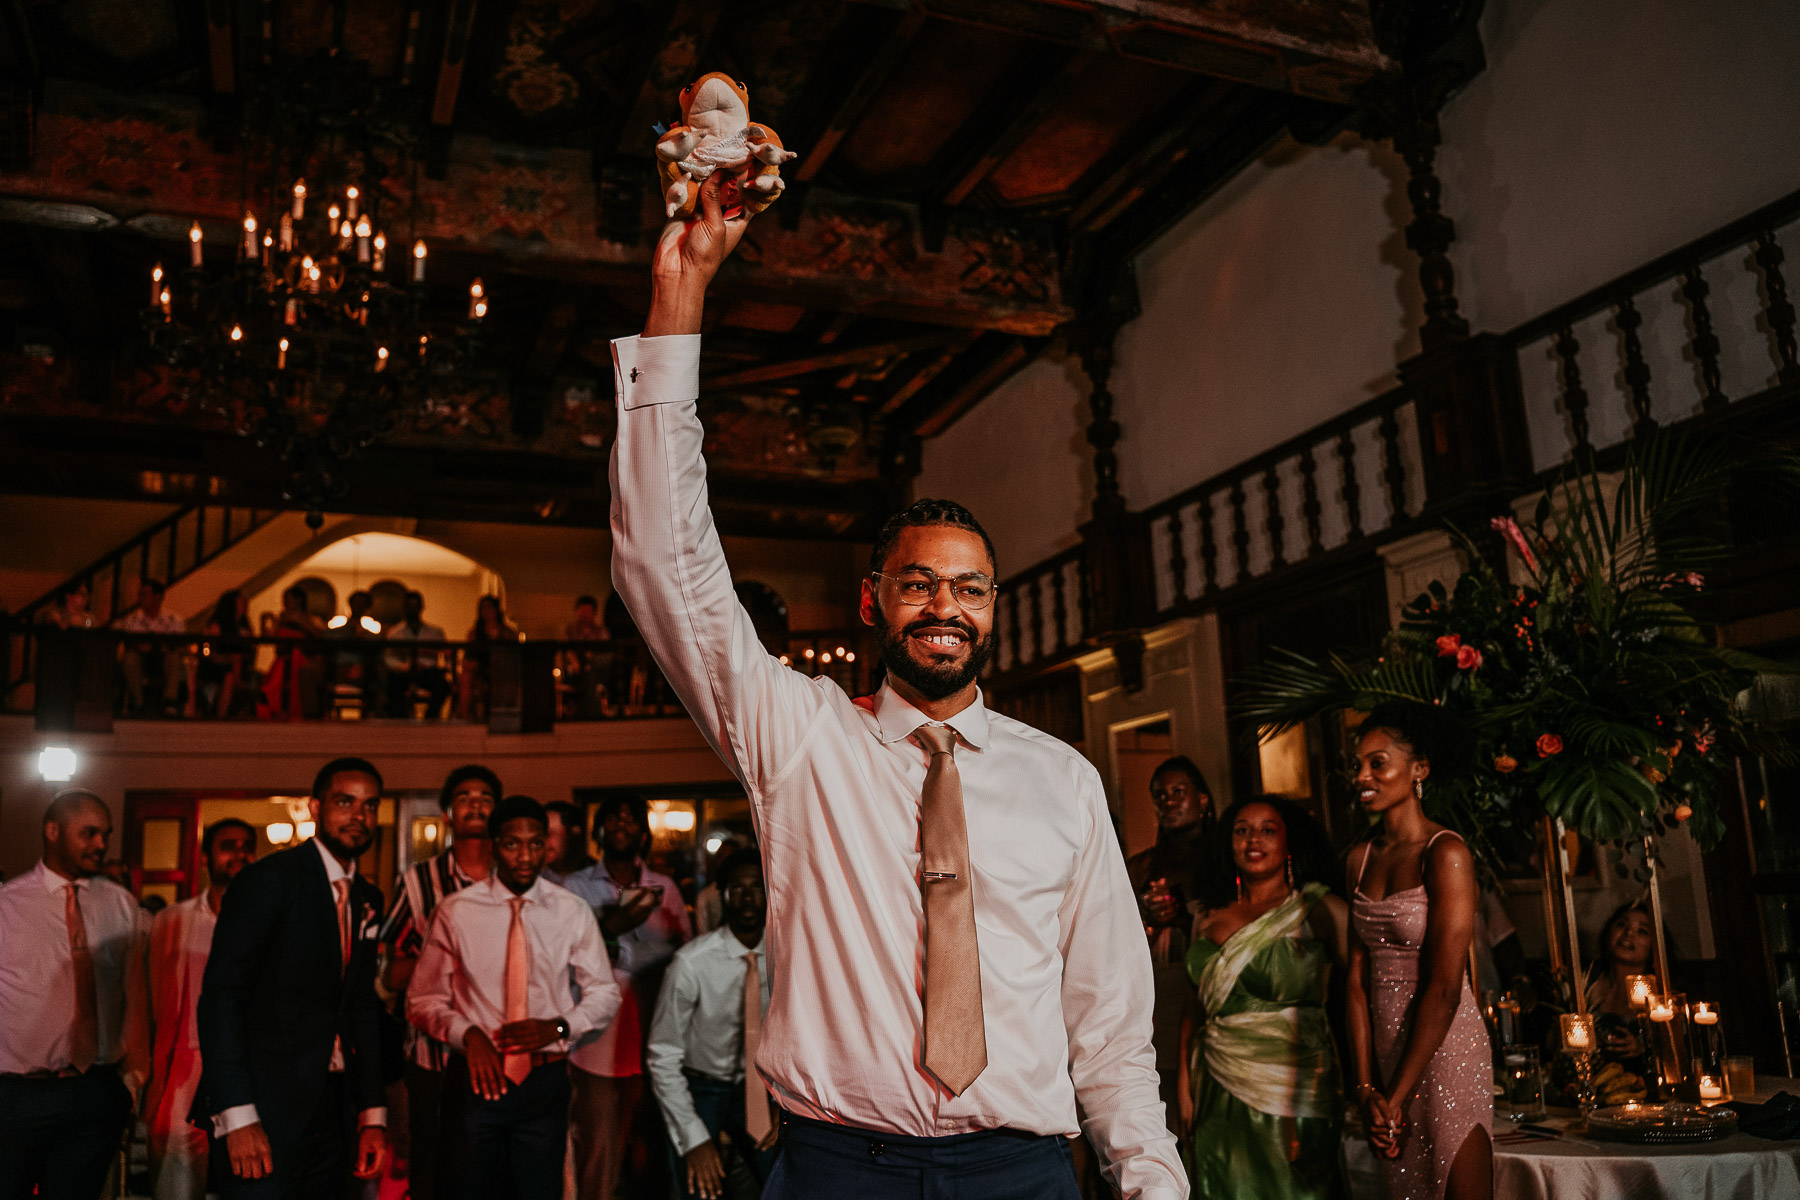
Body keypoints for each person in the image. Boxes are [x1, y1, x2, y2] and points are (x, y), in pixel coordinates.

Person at [607, 171, 1183, 1199]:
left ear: (993, 608)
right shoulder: (800, 739)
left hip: (1023, 1171)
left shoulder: (1064, 782)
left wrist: (1153, 1183)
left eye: (969, 588)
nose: (945, 607)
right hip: (837, 1169)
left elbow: (1110, 1025)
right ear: (875, 603)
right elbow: (664, 559)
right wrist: (682, 294)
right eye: (918, 584)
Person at [408, 795, 621, 1200]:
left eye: (536, 843)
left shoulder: (571, 911)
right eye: (512, 844)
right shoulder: (456, 911)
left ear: (547, 845)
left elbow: (605, 992)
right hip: (475, 1080)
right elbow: (422, 1000)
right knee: (464, 1191)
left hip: (544, 1079)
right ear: (493, 846)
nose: (525, 856)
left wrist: (560, 1026)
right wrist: (467, 1035)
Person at [195, 757, 390, 1198]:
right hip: (264, 1105)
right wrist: (237, 1115)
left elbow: (360, 1008)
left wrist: (372, 1115)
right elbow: (222, 998)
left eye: (370, 805)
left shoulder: (367, 897)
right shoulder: (269, 881)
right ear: (315, 808)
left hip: (335, 1110)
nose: (359, 816)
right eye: (345, 802)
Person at [1343, 702, 1492, 1200]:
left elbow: (1446, 987)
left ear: (1419, 769)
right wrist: (1368, 1090)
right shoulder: (1359, 860)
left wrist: (1396, 1097)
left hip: (1447, 1048)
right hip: (1386, 1055)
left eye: (1377, 763)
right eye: (1357, 764)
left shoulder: (1445, 852)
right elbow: (1356, 982)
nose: (1362, 775)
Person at [1185, 796, 1346, 1200]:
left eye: (1267, 830)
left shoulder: (1318, 908)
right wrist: (1184, 1090)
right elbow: (1196, 1009)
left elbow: (1363, 993)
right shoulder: (1207, 915)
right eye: (1241, 830)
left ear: (1289, 841)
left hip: (1294, 1089)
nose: (1253, 840)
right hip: (1215, 1090)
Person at [0, 789, 149, 1199]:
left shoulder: (119, 904)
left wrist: (133, 1081)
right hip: (17, 1095)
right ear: (52, 831)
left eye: (106, 834)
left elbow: (134, 994)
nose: (102, 844)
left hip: (94, 1091)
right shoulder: (6, 906)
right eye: (89, 833)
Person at [376, 765, 500, 1200]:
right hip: (433, 1055)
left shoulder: (514, 880)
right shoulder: (418, 881)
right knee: (431, 1167)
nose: (476, 804)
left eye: (486, 797)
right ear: (447, 814)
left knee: (495, 1168)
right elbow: (389, 975)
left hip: (503, 1047)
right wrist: (441, 949)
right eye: (465, 797)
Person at [562, 795, 692, 1199]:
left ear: (644, 833)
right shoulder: (576, 887)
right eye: (613, 817)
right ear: (598, 831)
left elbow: (685, 955)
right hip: (594, 1042)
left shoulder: (663, 887)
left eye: (632, 819)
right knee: (597, 1150)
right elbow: (562, 953)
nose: (622, 823)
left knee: (648, 1149)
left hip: (650, 1031)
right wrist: (619, 933)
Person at [648, 847, 777, 1200]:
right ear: (722, 895)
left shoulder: (787, 957)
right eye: (737, 888)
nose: (748, 898)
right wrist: (694, 1139)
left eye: (758, 887)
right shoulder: (690, 964)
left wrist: (786, 1103)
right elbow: (663, 1054)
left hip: (764, 1087)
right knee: (698, 1186)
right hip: (701, 1088)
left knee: (780, 1182)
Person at [146, 819, 256, 1200]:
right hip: (183, 1065)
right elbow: (151, 1004)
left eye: (246, 846)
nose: (239, 854)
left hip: (248, 1066)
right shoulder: (172, 921)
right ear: (207, 856)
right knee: (177, 1179)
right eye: (228, 845)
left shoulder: (267, 922)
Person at [1126, 756, 1214, 1137]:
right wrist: (1148, 920)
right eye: (1160, 795)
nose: (1169, 801)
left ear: (1203, 799)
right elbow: (1116, 936)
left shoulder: (1223, 860)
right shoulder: (1141, 866)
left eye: (1179, 792)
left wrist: (1183, 917)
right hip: (1156, 990)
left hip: (1204, 988)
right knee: (1161, 1108)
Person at [116, 578, 186, 716]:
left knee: (175, 658)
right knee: (129, 659)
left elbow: (179, 644)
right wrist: (140, 647)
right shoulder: (132, 620)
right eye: (140, 595)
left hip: (164, 658)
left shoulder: (174, 620)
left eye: (144, 595)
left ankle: (169, 702)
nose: (140, 599)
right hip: (141, 658)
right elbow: (130, 643)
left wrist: (161, 647)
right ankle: (138, 702)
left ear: (157, 597)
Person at [385, 590, 449, 718]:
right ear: (404, 608)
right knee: (393, 683)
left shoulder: (435, 632)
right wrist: (403, 666)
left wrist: (444, 668)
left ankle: (431, 718)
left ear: (421, 607)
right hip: (404, 673)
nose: (412, 609)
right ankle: (399, 719)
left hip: (428, 673)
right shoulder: (395, 632)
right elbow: (390, 658)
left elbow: (447, 653)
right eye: (409, 605)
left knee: (442, 684)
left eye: (415, 606)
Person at [197, 589, 255, 718]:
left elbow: (249, 652)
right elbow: (209, 651)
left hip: (238, 667)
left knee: (236, 668)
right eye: (241, 600)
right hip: (216, 667)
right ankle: (221, 714)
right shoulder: (217, 625)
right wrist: (228, 658)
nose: (245, 603)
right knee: (229, 675)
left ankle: (239, 708)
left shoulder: (244, 627)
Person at [460, 596, 518, 721]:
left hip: (502, 670)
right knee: (466, 677)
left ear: (496, 610)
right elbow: (468, 657)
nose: (486, 611)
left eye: (489, 607)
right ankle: (465, 717)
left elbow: (513, 657)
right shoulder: (474, 634)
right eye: (483, 608)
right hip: (479, 670)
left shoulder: (508, 633)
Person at [692, 837, 743, 936]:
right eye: (721, 857)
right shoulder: (706, 896)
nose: (725, 862)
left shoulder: (752, 895)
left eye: (730, 857)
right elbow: (703, 935)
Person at [541, 801, 595, 886]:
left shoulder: (602, 878)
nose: (543, 842)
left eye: (549, 834)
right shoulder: (535, 879)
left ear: (574, 833)